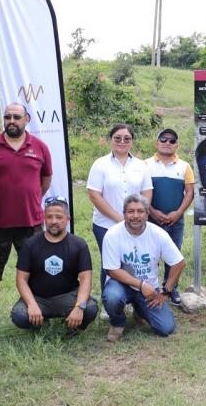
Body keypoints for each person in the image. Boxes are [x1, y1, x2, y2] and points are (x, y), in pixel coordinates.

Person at [0, 102, 53, 318]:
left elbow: (45, 180)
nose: (12, 121)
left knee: (36, 269)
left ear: (26, 119)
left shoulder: (39, 147)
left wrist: (30, 197)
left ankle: (35, 309)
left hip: (31, 222)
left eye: (16, 117)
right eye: (8, 117)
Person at [101, 194, 185, 342]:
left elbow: (179, 263)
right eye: (130, 211)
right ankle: (117, 323)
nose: (135, 216)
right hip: (122, 284)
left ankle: (139, 310)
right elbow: (112, 270)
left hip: (149, 289)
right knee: (112, 296)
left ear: (147, 214)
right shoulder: (112, 234)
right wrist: (141, 285)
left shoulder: (159, 234)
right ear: (124, 213)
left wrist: (166, 291)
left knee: (166, 328)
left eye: (140, 211)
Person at [10, 196, 98, 331]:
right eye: (49, 217)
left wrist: (79, 307)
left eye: (59, 217)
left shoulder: (79, 245)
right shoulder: (30, 244)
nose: (53, 221)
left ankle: (69, 327)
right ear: (44, 219)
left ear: (68, 219)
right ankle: (42, 325)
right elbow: (21, 279)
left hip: (69, 296)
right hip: (38, 298)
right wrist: (32, 304)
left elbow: (86, 280)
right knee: (19, 315)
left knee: (90, 309)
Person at [87, 124, 153, 297]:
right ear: (111, 140)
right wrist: (120, 220)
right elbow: (94, 195)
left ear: (132, 142)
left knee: (134, 262)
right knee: (109, 264)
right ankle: (109, 302)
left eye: (127, 138)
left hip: (136, 225)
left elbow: (146, 193)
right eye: (117, 138)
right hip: (105, 225)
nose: (122, 142)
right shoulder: (100, 164)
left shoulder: (141, 165)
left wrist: (139, 217)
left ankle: (135, 301)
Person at [144, 128, 195, 305]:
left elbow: (189, 192)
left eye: (172, 140)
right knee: (150, 256)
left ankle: (171, 289)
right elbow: (141, 192)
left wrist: (178, 213)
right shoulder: (144, 165)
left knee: (173, 255)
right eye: (163, 139)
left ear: (177, 145)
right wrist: (152, 212)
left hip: (176, 221)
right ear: (156, 143)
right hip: (149, 219)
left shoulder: (184, 166)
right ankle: (149, 289)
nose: (167, 143)